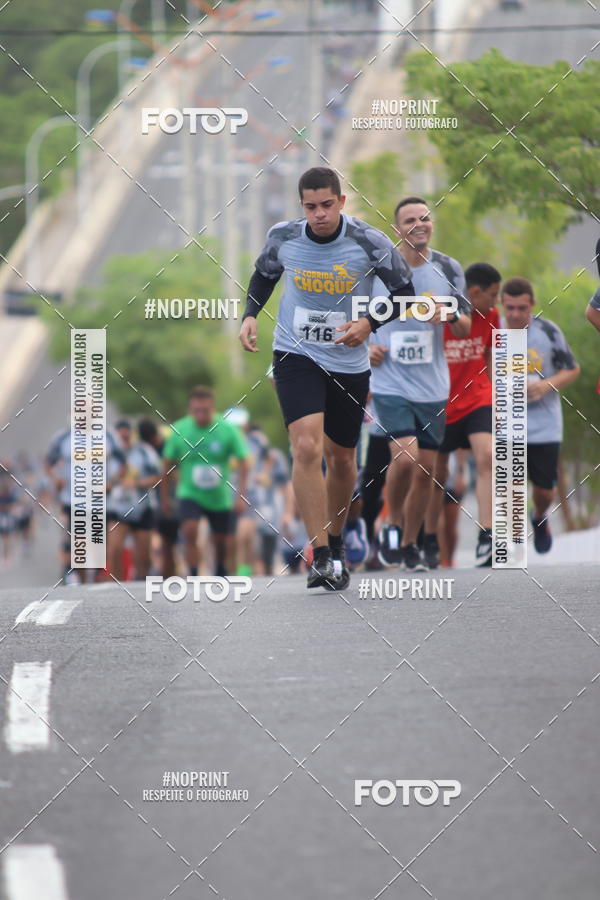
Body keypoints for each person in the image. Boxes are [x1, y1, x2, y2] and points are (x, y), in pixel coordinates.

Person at [239, 166, 415, 590]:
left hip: (348, 361)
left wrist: (368, 324)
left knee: (340, 459)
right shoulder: (283, 237)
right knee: (305, 446)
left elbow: (404, 295)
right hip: (295, 352)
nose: (319, 214)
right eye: (310, 207)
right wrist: (249, 315)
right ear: (302, 206)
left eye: (326, 205)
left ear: (341, 202)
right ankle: (318, 553)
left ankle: (337, 544)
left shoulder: (368, 242)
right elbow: (265, 274)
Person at [369, 196, 471, 571]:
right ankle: (392, 523)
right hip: (390, 380)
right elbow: (352, 315)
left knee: (427, 469)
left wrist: (445, 314)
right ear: (398, 229)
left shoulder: (448, 268)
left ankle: (410, 541)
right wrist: (367, 349)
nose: (419, 224)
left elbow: (465, 326)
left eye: (424, 218)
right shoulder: (377, 268)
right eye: (410, 219)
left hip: (432, 385)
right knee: (406, 457)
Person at [425, 262, 501, 567]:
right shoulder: (442, 315)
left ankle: (487, 534)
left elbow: (489, 355)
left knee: (486, 457)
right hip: (442, 402)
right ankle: (428, 537)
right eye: (492, 295)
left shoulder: (493, 317)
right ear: (473, 292)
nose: (495, 302)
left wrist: (495, 395)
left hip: (478, 398)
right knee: (437, 472)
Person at [500, 277, 580, 553]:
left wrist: (545, 385)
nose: (515, 314)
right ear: (502, 305)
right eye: (509, 308)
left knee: (544, 490)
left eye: (521, 308)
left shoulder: (548, 331)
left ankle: (539, 516)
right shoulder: (492, 332)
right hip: (506, 424)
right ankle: (514, 538)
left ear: (532, 305)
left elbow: (572, 368)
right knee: (512, 484)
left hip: (545, 424)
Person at [161, 386, 250, 577]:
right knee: (189, 529)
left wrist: (241, 496)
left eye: (205, 411)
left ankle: (219, 568)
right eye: (196, 411)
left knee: (220, 540)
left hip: (219, 496)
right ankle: (193, 573)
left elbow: (244, 462)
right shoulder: (179, 429)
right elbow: (167, 464)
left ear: (213, 409)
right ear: (190, 410)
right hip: (189, 492)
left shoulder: (227, 429)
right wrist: (165, 497)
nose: (201, 415)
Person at [45, 425, 125, 584]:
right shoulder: (63, 436)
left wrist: (112, 482)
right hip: (74, 499)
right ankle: (82, 585)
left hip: (101, 500)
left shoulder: (108, 435)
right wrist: (56, 479)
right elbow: (48, 463)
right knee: (79, 543)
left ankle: (99, 578)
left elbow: (123, 463)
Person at [107, 419, 162, 579]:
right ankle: (116, 587)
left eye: (127, 436)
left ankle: (142, 587)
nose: (124, 439)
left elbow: (158, 477)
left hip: (142, 507)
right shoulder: (107, 456)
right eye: (121, 437)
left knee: (143, 556)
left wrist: (137, 483)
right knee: (115, 550)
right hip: (117, 508)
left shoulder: (144, 452)